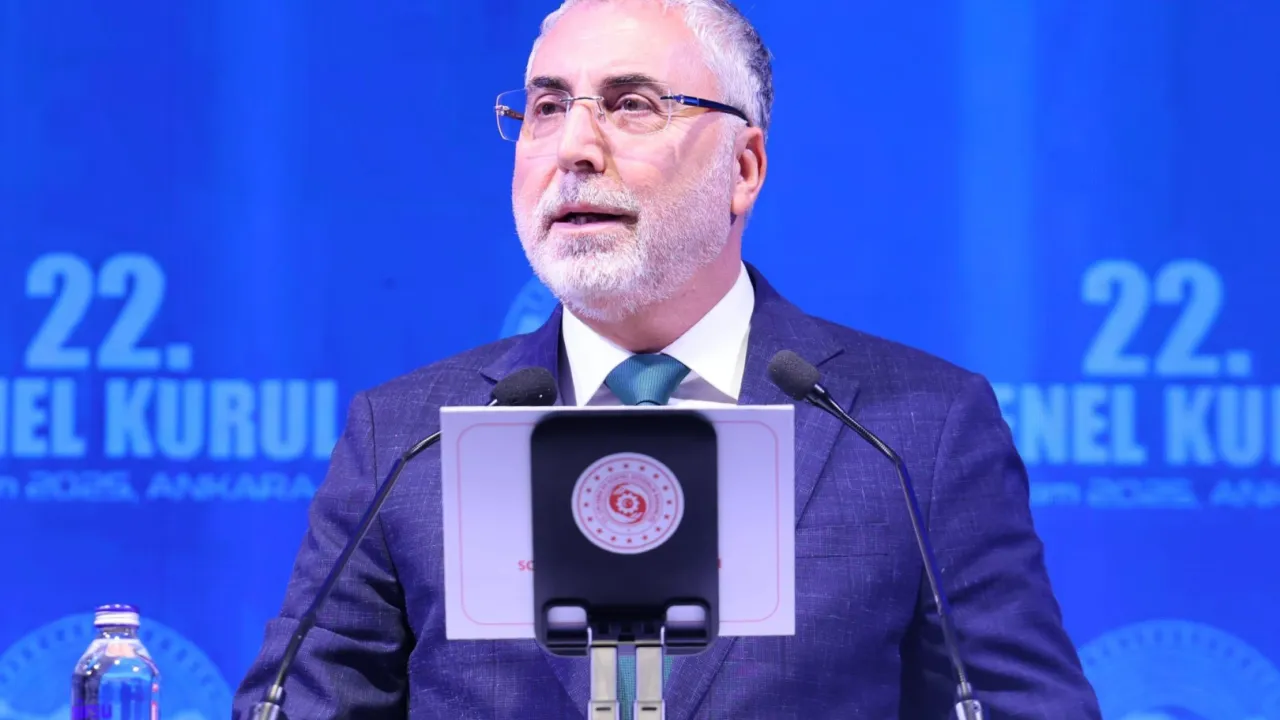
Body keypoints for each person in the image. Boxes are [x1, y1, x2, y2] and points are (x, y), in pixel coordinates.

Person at [233, 0, 1102, 717]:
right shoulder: (404, 437)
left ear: (744, 168)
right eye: (546, 107)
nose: (574, 149)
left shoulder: (914, 431)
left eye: (631, 104)